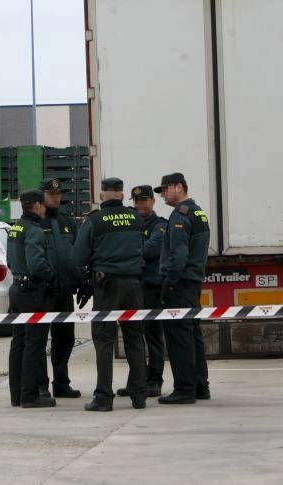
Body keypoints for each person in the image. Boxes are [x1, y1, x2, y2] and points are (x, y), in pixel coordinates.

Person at [71, 177, 147, 412]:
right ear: (123, 195)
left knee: (104, 341)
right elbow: (141, 247)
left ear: (102, 195)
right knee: (135, 339)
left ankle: (104, 397)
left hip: (107, 286)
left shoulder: (95, 220)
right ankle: (139, 395)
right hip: (134, 285)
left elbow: (77, 257)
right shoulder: (135, 217)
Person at [154, 172, 211, 404]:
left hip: (180, 283)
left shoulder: (181, 214)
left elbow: (178, 255)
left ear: (179, 187)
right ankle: (200, 386)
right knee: (193, 334)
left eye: (165, 189)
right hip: (193, 281)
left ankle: (184, 389)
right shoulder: (197, 211)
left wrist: (170, 283)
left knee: (179, 337)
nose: (163, 195)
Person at [7, 189, 57, 408]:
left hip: (17, 288)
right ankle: (30, 395)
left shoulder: (16, 227)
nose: (45, 208)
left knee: (18, 342)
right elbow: (37, 264)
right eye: (44, 205)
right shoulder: (35, 230)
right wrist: (52, 275)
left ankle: (16, 394)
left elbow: (10, 260)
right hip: (32, 292)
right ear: (36, 205)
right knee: (34, 344)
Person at [117, 185, 168, 398]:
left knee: (154, 336)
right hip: (134, 287)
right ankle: (136, 382)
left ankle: (155, 380)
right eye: (136, 201)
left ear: (153, 202)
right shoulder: (131, 224)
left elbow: (149, 249)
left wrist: (127, 252)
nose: (140, 205)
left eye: (144, 201)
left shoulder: (160, 226)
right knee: (134, 337)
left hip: (152, 287)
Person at [37, 177, 82, 400]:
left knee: (65, 339)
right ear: (42, 196)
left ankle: (61, 383)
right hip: (43, 291)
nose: (54, 198)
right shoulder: (36, 222)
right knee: (39, 340)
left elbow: (76, 253)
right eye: (50, 194)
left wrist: (81, 281)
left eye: (57, 194)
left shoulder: (68, 221)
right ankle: (41, 386)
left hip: (65, 290)